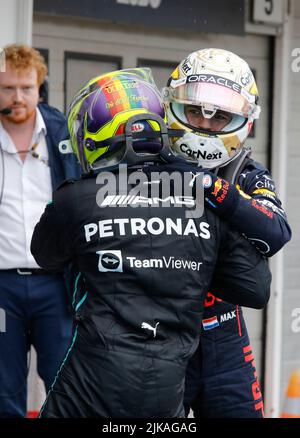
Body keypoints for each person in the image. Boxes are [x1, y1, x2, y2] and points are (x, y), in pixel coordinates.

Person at [31, 67, 271, 418]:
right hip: (166, 389)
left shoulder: (76, 199)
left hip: (87, 388)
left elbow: (45, 256)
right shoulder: (204, 200)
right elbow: (255, 287)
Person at [162, 48, 292, 417]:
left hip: (224, 337)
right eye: (195, 110)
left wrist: (215, 189)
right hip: (160, 335)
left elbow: (277, 232)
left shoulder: (247, 172)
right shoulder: (150, 166)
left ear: (243, 120)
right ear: (174, 105)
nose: (206, 124)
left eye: (220, 116)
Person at [0, 44, 80, 417]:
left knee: (64, 383)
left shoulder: (61, 134)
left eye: (26, 88)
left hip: (55, 284)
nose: (17, 97)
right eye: (8, 88)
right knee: (3, 387)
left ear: (39, 87)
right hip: (2, 289)